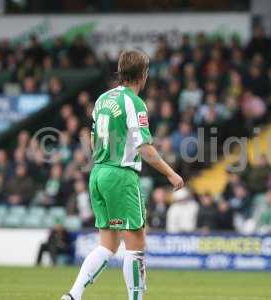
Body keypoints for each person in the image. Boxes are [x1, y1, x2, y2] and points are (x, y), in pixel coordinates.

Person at [61, 49, 184, 300]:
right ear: (143, 75)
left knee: (108, 244)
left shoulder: (102, 99)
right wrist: (172, 174)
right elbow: (144, 148)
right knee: (136, 244)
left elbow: (94, 140)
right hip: (120, 175)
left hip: (98, 173)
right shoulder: (134, 102)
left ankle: (73, 295)